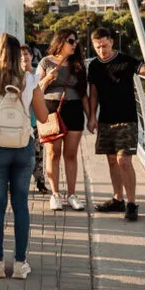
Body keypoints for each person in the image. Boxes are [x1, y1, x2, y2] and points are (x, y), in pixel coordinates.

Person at [0, 33, 49, 279]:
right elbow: (44, 117)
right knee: (20, 205)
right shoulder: (30, 80)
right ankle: (21, 263)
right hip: (23, 147)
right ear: (19, 55)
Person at [86, 28, 145, 221]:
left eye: (104, 45)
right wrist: (92, 117)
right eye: (97, 47)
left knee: (124, 161)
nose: (102, 50)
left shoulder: (125, 60)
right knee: (112, 161)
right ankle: (118, 199)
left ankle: (131, 204)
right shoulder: (95, 66)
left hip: (127, 119)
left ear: (112, 42)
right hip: (106, 120)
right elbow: (94, 93)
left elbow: (144, 69)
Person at [36, 29, 89, 211]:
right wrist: (49, 79)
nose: (75, 44)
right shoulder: (46, 62)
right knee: (53, 153)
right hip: (51, 110)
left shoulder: (78, 65)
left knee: (71, 155)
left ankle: (72, 195)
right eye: (71, 41)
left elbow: (83, 94)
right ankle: (55, 194)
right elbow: (36, 89)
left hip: (74, 109)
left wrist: (91, 118)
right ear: (60, 41)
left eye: (76, 41)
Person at [21, 44, 49, 194]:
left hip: (35, 122)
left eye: (26, 54)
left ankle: (40, 181)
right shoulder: (15, 77)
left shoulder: (37, 75)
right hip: (19, 124)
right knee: (20, 156)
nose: (24, 57)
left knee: (37, 155)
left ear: (31, 56)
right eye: (20, 55)